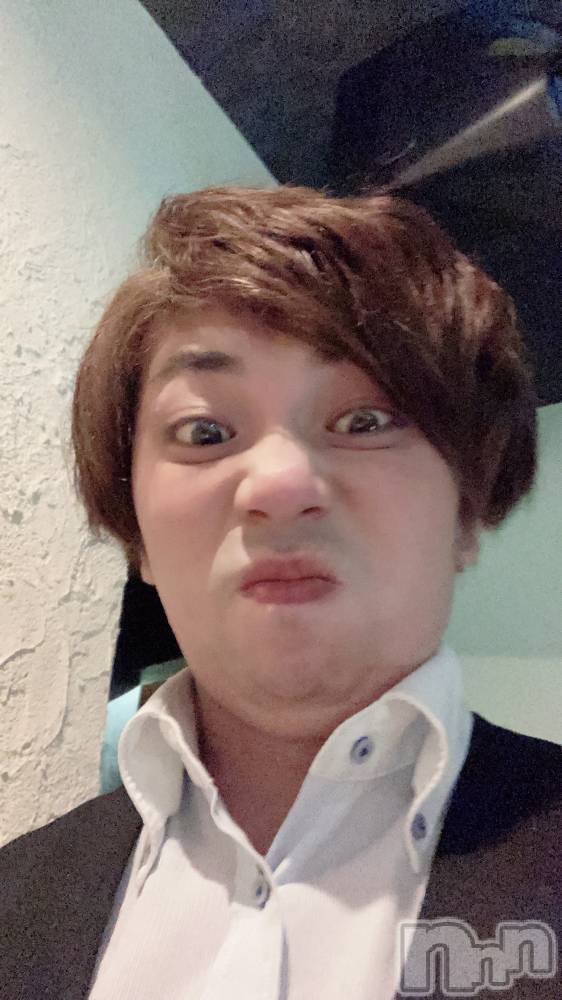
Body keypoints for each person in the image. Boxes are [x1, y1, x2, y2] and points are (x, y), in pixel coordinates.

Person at [0, 185, 560, 1000]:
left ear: (468, 510)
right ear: (136, 533)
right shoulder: (14, 901)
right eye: (205, 432)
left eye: (366, 420)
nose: (280, 483)